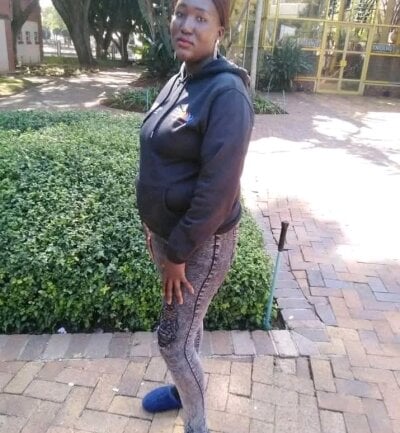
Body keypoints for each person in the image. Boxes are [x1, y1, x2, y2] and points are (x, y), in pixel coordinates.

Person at [136, 0, 254, 432]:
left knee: (173, 342)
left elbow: (217, 192)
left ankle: (197, 424)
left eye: (201, 18)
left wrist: (178, 253)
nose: (186, 25)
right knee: (188, 327)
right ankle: (180, 390)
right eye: (181, 13)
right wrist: (153, 222)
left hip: (199, 245)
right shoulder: (181, 78)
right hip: (170, 238)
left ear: (220, 29)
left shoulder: (227, 95)